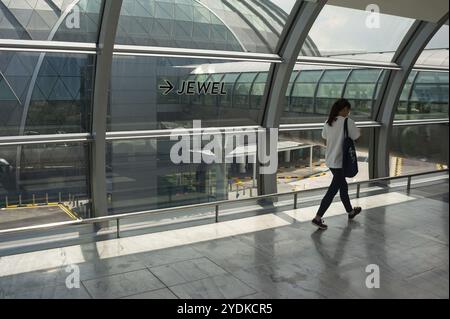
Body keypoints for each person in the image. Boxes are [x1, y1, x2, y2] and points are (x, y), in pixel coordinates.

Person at [312, 98, 362, 230]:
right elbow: (356, 136)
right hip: (341, 161)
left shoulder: (328, 123)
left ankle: (351, 212)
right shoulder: (348, 122)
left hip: (331, 160)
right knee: (333, 190)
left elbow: (324, 136)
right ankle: (317, 218)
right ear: (344, 109)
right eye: (348, 109)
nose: (349, 112)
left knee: (343, 187)